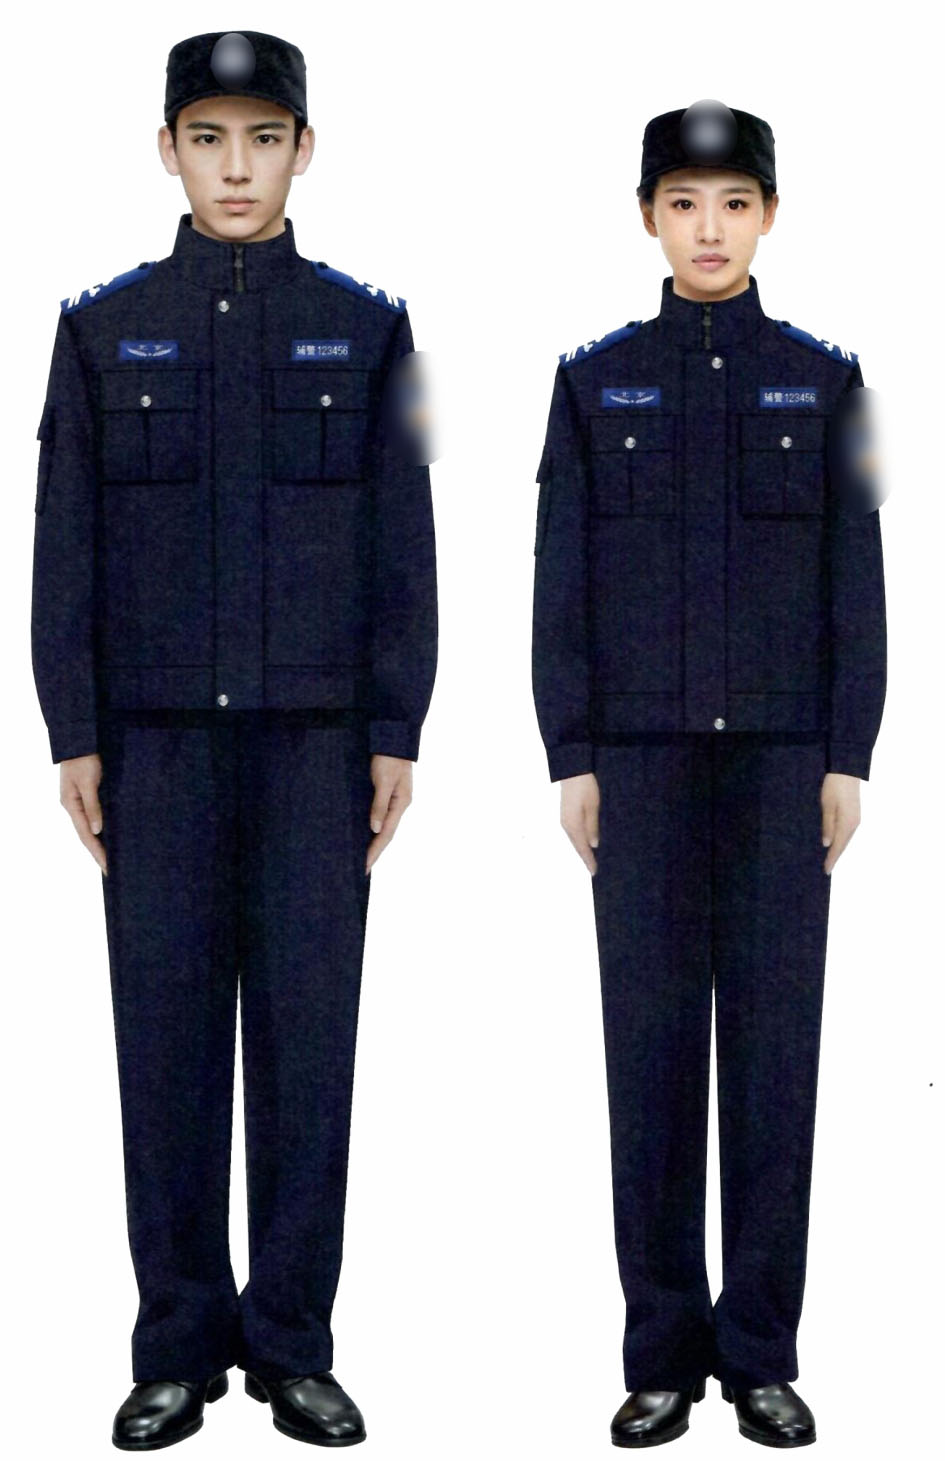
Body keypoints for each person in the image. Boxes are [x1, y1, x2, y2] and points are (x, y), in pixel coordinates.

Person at [30, 29, 437, 1451]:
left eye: (264, 138)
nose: (237, 167)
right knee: (165, 1048)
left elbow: (403, 542)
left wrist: (396, 724)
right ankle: (175, 1347)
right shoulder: (101, 330)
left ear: (304, 151)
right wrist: (74, 729)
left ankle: (294, 1347)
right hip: (154, 753)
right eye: (208, 138)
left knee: (309, 1052)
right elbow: (64, 546)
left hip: (317, 750)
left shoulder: (368, 329)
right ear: (168, 151)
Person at [530, 100, 886, 1449]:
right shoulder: (593, 383)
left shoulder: (829, 383)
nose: (709, 230)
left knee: (776, 1062)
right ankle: (661, 1355)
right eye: (682, 205)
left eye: (733, 204)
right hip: (640, 769)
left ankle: (764, 1354)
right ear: (647, 219)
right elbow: (560, 584)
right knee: (652, 1059)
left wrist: (848, 753)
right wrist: (572, 754)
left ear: (769, 217)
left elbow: (858, 582)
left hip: (785, 768)